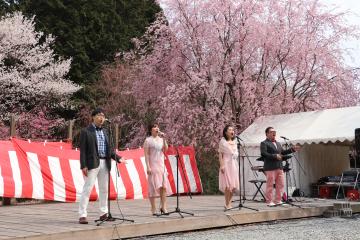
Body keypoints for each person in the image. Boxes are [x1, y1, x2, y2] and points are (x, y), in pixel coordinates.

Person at [78, 108, 121, 224]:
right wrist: (83, 165)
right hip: (92, 163)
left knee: (104, 190)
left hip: (105, 163)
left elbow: (110, 150)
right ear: (93, 117)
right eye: (99, 115)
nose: (101, 117)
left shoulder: (106, 131)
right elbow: (83, 151)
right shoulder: (86, 131)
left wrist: (119, 158)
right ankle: (82, 215)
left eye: (103, 115)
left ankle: (103, 213)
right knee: (87, 189)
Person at [260, 127, 300, 207]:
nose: (274, 133)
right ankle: (269, 201)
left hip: (279, 166)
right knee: (270, 185)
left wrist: (292, 149)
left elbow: (283, 152)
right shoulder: (264, 143)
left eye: (274, 132)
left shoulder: (278, 143)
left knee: (280, 184)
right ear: (267, 134)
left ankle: (278, 200)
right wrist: (275, 156)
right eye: (271, 132)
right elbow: (264, 154)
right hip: (270, 167)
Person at [144, 123, 171, 216]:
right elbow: (146, 155)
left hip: (161, 164)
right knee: (153, 186)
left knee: (163, 186)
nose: (156, 128)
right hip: (153, 164)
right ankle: (153, 208)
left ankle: (164, 207)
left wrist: (164, 139)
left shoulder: (161, 139)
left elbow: (166, 149)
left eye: (157, 126)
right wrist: (148, 166)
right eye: (154, 127)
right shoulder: (148, 140)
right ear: (151, 130)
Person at [218, 125, 239, 210]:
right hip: (226, 163)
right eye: (230, 130)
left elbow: (236, 153)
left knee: (233, 186)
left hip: (233, 164)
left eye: (232, 130)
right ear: (226, 132)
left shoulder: (235, 142)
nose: (232, 131)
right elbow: (220, 154)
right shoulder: (223, 142)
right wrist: (222, 165)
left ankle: (230, 203)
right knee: (227, 185)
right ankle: (227, 204)